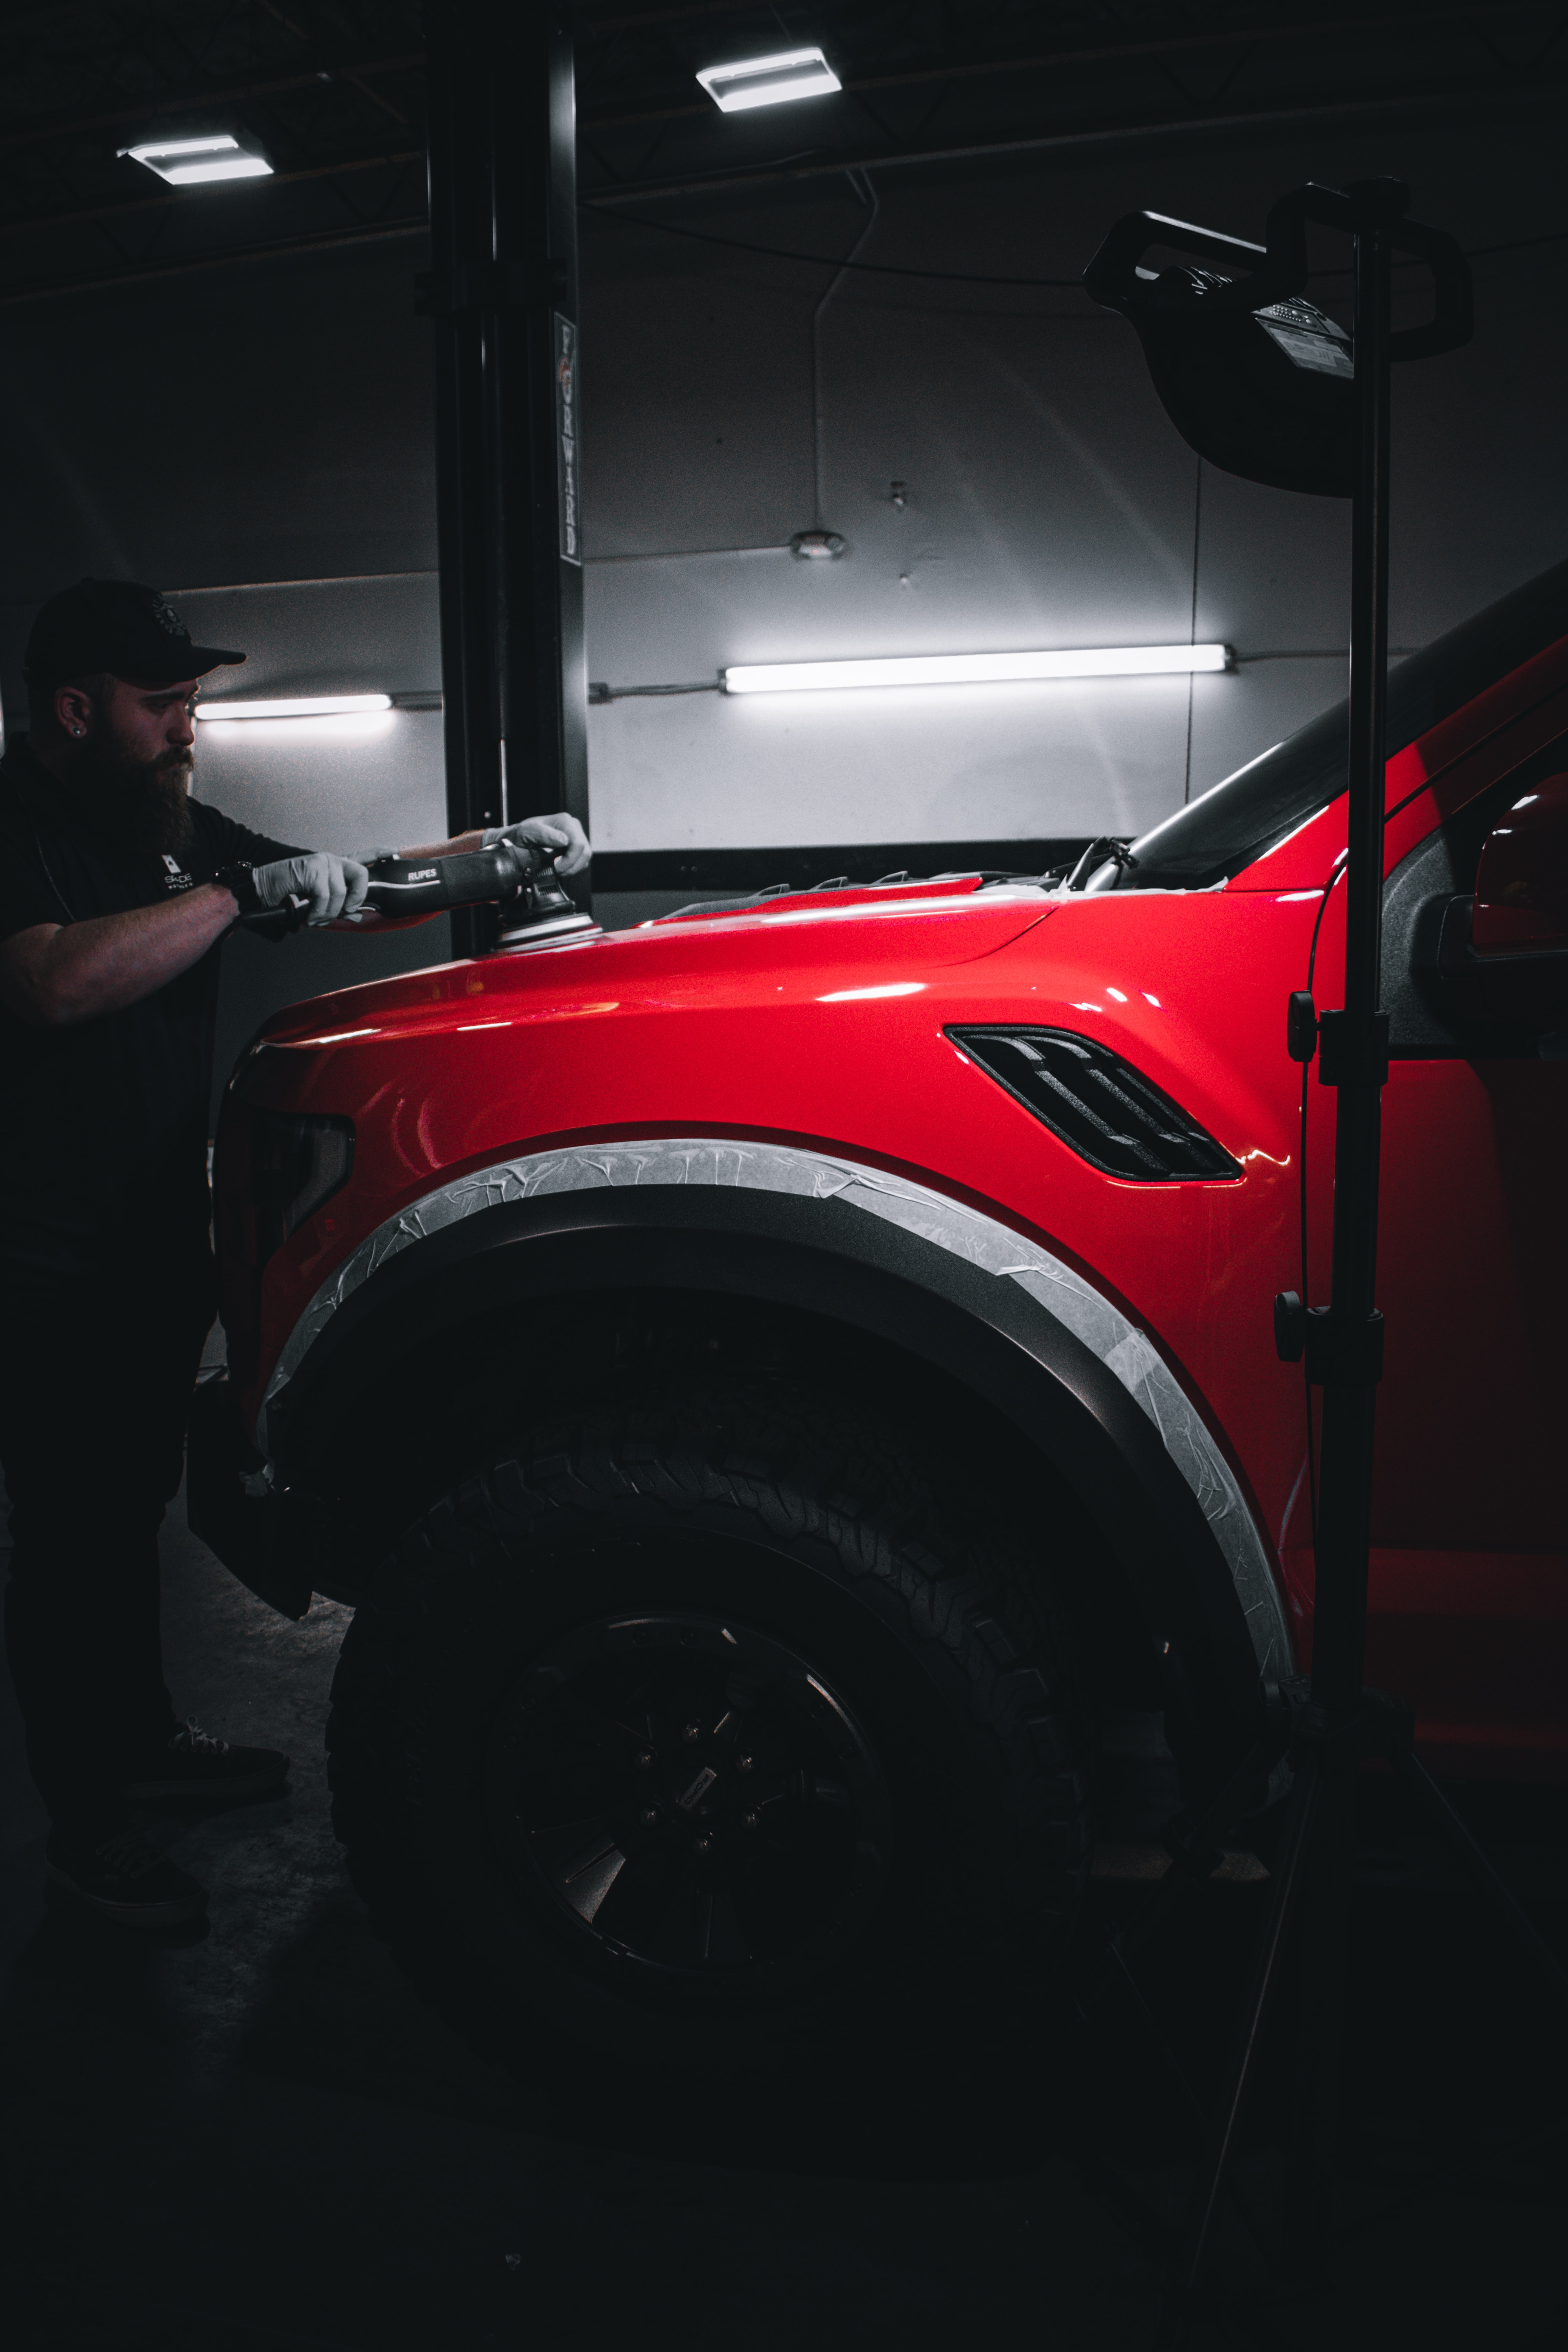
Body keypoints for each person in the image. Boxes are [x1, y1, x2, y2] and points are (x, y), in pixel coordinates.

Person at [0, 576, 589, 1929]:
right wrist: (230, 898)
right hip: (37, 1260)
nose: (186, 728)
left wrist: (496, 856)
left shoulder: (170, 828)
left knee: (127, 1519)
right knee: (71, 1541)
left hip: (146, 1247)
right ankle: (90, 1837)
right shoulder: (17, 821)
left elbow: (353, 893)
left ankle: (145, 1750)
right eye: (162, 706)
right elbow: (49, 981)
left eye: (191, 703)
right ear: (77, 710)